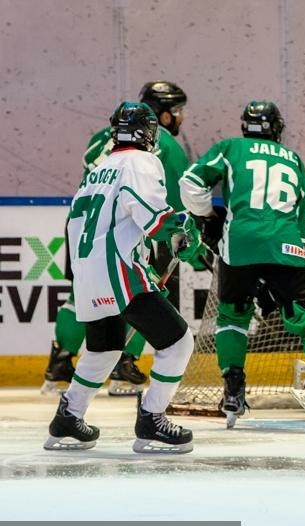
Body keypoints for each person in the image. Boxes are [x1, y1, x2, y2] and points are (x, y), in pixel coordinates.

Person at [180, 100, 305, 432]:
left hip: (239, 246)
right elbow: (300, 222)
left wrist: (207, 216)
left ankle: (233, 387)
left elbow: (190, 183)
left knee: (232, 317)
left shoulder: (230, 148)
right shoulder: (293, 159)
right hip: (287, 245)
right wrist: (280, 264)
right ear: (277, 128)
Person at [44, 101, 205, 453]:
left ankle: (68, 417)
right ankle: (152, 419)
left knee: (104, 349)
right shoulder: (142, 161)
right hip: (119, 270)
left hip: (88, 273)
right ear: (147, 133)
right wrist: (182, 229)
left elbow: (86, 224)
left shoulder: (98, 169)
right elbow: (154, 217)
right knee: (178, 342)